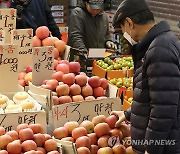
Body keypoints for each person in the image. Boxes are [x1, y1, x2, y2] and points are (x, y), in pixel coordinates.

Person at [111, 0, 180, 154]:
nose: (124, 34)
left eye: (122, 29)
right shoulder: (159, 43)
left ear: (129, 23)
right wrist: (129, 114)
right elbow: (152, 94)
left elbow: (164, 108)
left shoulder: (160, 49)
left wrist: (152, 148)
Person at [67, 0, 117, 66]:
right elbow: (75, 36)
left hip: (99, 60)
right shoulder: (78, 13)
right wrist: (83, 52)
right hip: (81, 60)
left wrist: (108, 41)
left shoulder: (103, 16)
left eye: (98, 8)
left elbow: (106, 34)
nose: (96, 11)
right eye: (93, 8)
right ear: (86, 3)